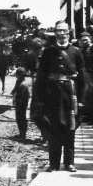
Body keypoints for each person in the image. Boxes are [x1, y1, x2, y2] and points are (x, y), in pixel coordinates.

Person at [31, 20, 80, 172]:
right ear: (55, 33)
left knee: (70, 129)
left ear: (69, 32)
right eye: (59, 30)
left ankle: (69, 163)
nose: (62, 33)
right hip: (52, 95)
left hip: (70, 95)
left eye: (64, 30)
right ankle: (54, 163)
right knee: (53, 129)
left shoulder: (76, 51)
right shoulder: (48, 52)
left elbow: (82, 76)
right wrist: (39, 99)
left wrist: (83, 99)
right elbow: (41, 76)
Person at [11, 67, 30, 139]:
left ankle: (23, 133)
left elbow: (24, 96)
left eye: (17, 75)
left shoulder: (23, 84)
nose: (16, 76)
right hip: (18, 101)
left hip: (22, 102)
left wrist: (18, 102)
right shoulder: (18, 81)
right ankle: (21, 132)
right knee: (18, 117)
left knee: (21, 117)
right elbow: (15, 89)